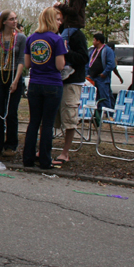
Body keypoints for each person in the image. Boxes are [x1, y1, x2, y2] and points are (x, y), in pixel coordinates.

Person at [22, 7, 67, 169]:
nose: (60, 22)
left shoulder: (31, 38)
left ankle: (27, 158)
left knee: (33, 122)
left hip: (35, 83)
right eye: (57, 19)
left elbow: (27, 64)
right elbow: (60, 65)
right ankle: (45, 160)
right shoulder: (57, 40)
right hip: (52, 84)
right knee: (47, 124)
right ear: (50, 20)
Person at [0, 11, 27, 157]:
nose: (14, 21)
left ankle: (11, 145)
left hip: (14, 74)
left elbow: (22, 60)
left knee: (11, 112)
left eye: (16, 19)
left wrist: (16, 81)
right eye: (11, 19)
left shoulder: (21, 38)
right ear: (4, 21)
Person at [52, 13, 88, 165]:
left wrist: (65, 52)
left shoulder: (76, 35)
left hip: (72, 81)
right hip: (54, 80)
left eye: (60, 18)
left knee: (69, 116)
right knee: (51, 116)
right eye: (55, 18)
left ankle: (65, 152)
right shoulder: (53, 34)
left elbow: (84, 57)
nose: (58, 21)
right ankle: (44, 148)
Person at [54, 0, 86, 80]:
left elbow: (74, 11)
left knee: (62, 42)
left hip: (73, 24)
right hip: (67, 24)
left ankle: (67, 65)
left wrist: (61, 6)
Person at [87, 32, 116, 115]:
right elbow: (88, 62)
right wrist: (87, 73)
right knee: (94, 96)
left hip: (102, 78)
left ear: (98, 41)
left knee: (104, 96)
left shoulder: (107, 50)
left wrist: (105, 73)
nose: (93, 41)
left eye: (94, 40)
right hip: (92, 77)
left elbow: (111, 64)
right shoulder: (93, 51)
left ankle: (108, 113)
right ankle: (97, 113)